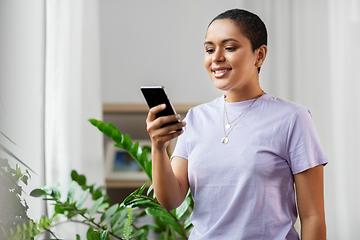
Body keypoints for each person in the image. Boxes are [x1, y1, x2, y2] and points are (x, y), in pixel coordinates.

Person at [146, 8, 327, 240]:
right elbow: (171, 200)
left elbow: (313, 216)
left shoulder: (293, 118)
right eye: (209, 49)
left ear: (259, 55)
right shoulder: (195, 118)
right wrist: (158, 147)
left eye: (229, 48)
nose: (216, 57)